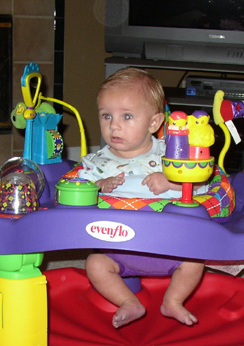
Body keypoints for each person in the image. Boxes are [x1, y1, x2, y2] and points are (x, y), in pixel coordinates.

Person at [77, 67, 208, 329]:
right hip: (119, 250)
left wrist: (172, 181)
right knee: (95, 264)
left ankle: (173, 301)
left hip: (170, 248)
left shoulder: (172, 155)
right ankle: (128, 301)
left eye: (127, 116)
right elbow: (77, 190)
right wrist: (99, 185)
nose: (114, 125)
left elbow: (201, 187)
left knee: (195, 261)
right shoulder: (98, 162)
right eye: (106, 116)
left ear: (154, 123)